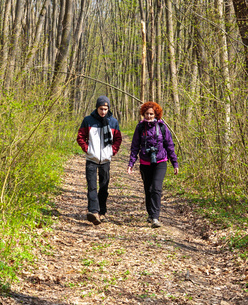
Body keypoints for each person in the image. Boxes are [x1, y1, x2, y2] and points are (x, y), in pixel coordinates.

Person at [126, 101, 178, 228]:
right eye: (146, 114)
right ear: (143, 114)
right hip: (145, 162)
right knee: (148, 190)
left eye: (151, 114)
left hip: (160, 161)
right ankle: (150, 214)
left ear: (156, 114)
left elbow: (169, 145)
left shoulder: (162, 127)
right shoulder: (139, 128)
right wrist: (131, 163)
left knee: (156, 188)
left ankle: (155, 217)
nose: (149, 116)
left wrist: (175, 162)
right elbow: (134, 147)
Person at [76, 95, 122, 225]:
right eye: (101, 109)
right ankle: (93, 211)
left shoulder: (113, 122)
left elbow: (118, 139)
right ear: (97, 108)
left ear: (108, 109)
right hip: (92, 158)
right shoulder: (88, 120)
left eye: (105, 109)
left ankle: (102, 212)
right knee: (91, 186)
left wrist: (112, 152)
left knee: (103, 187)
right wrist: (88, 149)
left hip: (106, 160)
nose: (103, 112)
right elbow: (80, 137)